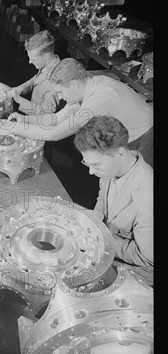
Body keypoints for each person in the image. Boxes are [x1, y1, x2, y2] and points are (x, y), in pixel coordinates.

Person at [0, 58, 153, 166]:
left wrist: (12, 128)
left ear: (73, 84)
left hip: (145, 138)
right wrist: (24, 120)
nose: (59, 97)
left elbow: (54, 134)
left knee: (133, 186)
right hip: (129, 133)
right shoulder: (87, 86)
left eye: (60, 92)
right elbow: (56, 119)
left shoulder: (100, 99)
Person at [74, 115, 153, 286]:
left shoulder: (148, 195)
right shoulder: (111, 168)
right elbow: (103, 197)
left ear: (119, 153)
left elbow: (147, 258)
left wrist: (99, 237)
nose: (91, 172)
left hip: (134, 270)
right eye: (88, 164)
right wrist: (96, 215)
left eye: (96, 165)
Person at [6, 30, 61, 115]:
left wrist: (19, 100)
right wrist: (19, 89)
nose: (30, 62)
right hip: (32, 112)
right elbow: (36, 80)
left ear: (47, 56)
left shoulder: (56, 79)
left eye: (34, 59)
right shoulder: (48, 65)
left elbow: (46, 114)